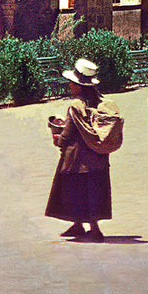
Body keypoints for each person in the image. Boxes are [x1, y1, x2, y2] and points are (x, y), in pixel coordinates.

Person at [45, 58, 111, 241]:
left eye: (72, 83)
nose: (70, 85)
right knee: (94, 191)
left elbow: (68, 133)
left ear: (79, 86)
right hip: (98, 157)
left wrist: (59, 140)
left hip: (78, 159)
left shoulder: (76, 106)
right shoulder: (99, 102)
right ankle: (80, 225)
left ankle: (93, 229)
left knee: (77, 191)